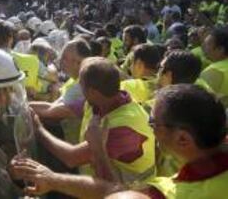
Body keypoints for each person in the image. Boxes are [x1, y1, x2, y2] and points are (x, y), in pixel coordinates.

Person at [12, 85, 228, 199]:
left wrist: (96, 149)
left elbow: (115, 193)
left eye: (154, 123)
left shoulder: (178, 193)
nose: (148, 125)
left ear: (183, 138)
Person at [32, 57, 155, 184]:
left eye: (81, 86)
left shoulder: (121, 126)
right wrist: (24, 106)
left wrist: (38, 129)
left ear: (92, 92)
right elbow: (54, 108)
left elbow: (72, 158)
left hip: (129, 193)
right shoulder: (100, 101)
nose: (79, 89)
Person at [201, 27, 228, 108]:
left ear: (220, 49)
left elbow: (200, 103)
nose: (203, 47)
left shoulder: (214, 70)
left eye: (207, 44)